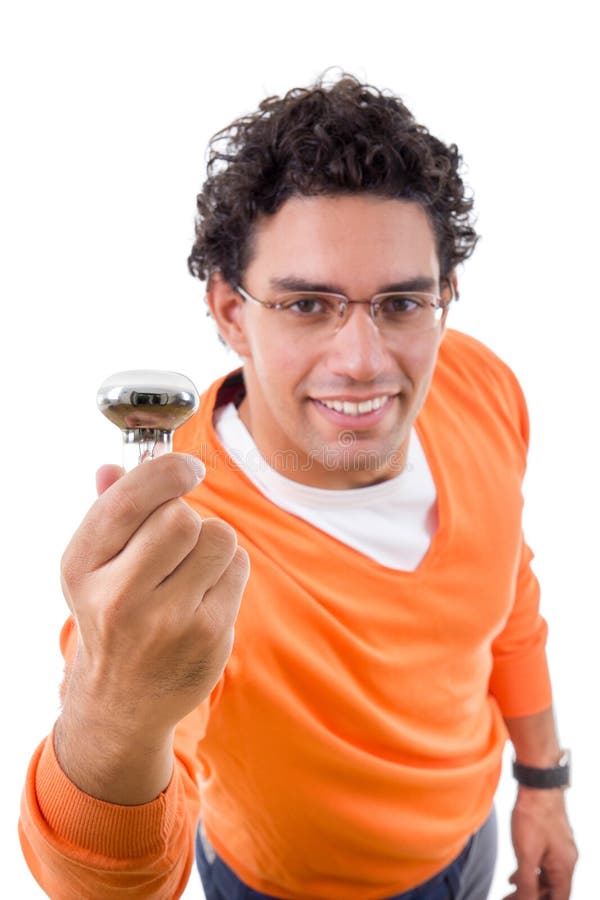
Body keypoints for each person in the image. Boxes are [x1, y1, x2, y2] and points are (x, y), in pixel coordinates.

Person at [19, 74, 578, 900]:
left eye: (402, 303)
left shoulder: (478, 386)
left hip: (473, 841)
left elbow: (512, 604)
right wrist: (111, 719)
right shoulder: (186, 541)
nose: (362, 360)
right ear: (230, 311)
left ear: (445, 297)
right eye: (309, 304)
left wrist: (542, 784)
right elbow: (109, 880)